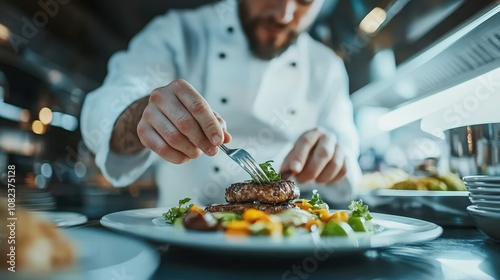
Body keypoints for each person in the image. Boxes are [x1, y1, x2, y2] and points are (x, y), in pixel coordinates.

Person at [80, 0, 362, 207]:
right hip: (181, 239)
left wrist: (334, 157)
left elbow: (349, 161)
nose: (284, 14)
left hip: (288, 247)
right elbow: (107, 106)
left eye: (305, 1)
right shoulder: (178, 32)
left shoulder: (327, 67)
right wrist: (140, 115)